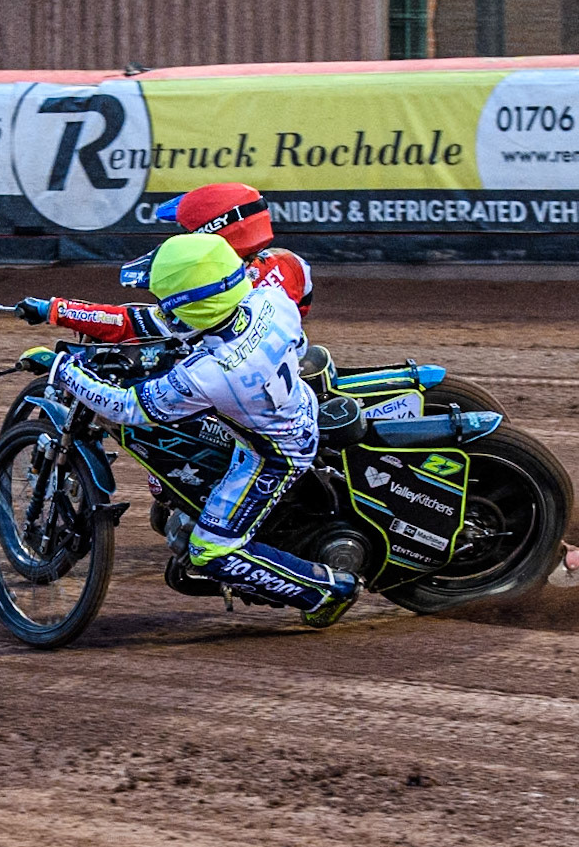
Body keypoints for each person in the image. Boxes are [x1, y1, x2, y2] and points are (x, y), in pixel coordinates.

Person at [44, 232, 360, 628]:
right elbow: (179, 323)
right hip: (293, 401)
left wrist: (64, 372)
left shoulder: (212, 373)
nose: (164, 307)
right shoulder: (269, 299)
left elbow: (126, 407)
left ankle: (325, 591)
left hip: (273, 455)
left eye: (168, 299)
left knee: (208, 552)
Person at [14, 183, 314, 339]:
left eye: (187, 231)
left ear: (213, 232)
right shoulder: (292, 265)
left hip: (224, 396)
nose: (183, 238)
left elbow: (130, 324)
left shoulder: (214, 288)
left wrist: (54, 309)